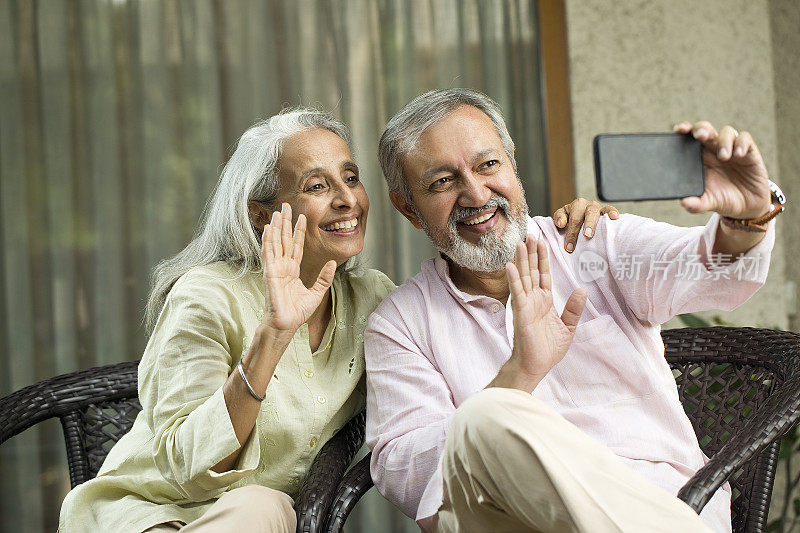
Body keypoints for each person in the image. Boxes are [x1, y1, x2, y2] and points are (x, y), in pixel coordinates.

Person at [57, 107, 605, 532]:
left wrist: (572, 232)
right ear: (262, 214)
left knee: (263, 508)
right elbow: (187, 468)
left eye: (351, 177)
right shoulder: (207, 296)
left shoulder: (375, 303)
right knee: (258, 506)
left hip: (266, 520)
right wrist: (275, 332)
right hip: (155, 513)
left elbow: (450, 392)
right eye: (318, 186)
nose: (347, 200)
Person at [364, 88, 779, 533]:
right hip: (515, 521)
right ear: (408, 207)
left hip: (655, 503)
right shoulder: (400, 323)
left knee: (483, 422)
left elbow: (710, 267)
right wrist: (519, 375)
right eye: (442, 181)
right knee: (483, 424)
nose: (475, 192)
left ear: (511, 162)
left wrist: (747, 217)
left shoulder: (589, 241)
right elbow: (404, 469)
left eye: (488, 165)